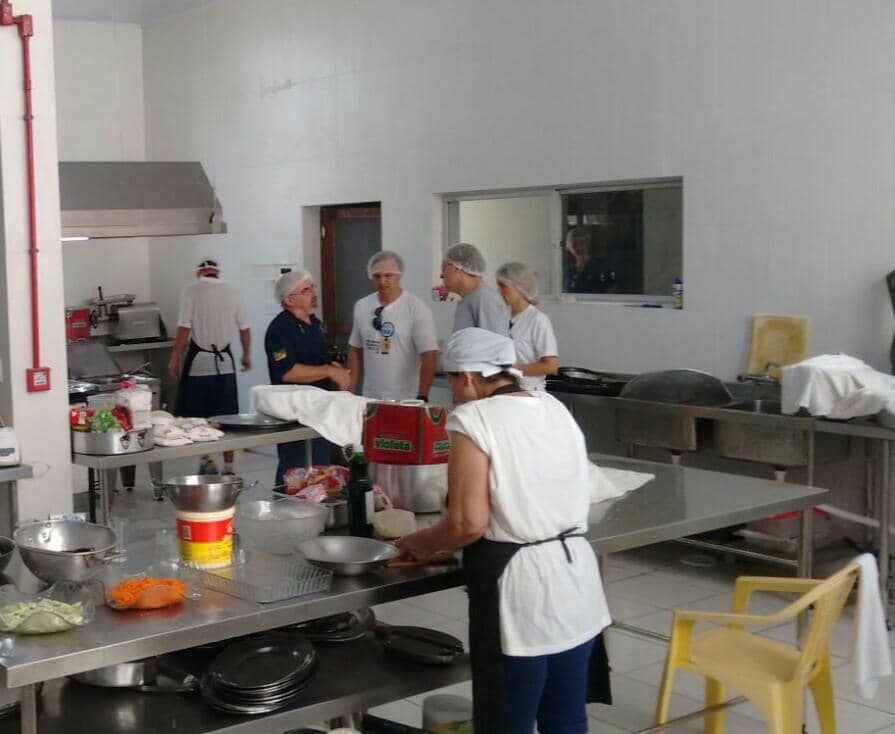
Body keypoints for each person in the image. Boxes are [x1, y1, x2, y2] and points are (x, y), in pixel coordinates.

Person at [396, 328, 611, 734]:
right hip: (578, 583)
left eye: (453, 381)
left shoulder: (474, 418)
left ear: (470, 377)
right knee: (566, 720)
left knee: (506, 723)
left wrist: (421, 543)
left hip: (521, 595)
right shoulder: (554, 407)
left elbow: (467, 523)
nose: (454, 392)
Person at [264, 269, 351, 485]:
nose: (313, 293)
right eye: (306, 289)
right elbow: (288, 371)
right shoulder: (280, 329)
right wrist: (329, 371)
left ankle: (320, 511)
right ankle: (287, 510)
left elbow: (321, 358)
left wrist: (337, 370)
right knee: (296, 469)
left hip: (321, 409)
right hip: (294, 412)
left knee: (322, 467)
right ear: (289, 300)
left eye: (312, 287)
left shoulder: (315, 324)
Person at [168, 258, 250, 474]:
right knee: (227, 418)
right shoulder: (232, 291)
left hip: (199, 365)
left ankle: (205, 460)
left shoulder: (191, 291)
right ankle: (230, 467)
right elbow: (244, 327)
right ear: (217, 273)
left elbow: (184, 328)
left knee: (198, 416)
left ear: (199, 273)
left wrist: (175, 356)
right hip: (226, 364)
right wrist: (247, 354)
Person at [347, 250, 439, 400]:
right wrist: (349, 394)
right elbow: (355, 350)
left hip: (406, 397)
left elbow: (429, 355)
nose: (382, 281)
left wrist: (422, 395)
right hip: (370, 396)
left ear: (400, 275)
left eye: (388, 275)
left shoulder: (416, 308)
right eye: (377, 276)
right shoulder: (362, 306)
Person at [496, 261, 559, 391]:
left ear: (519, 287)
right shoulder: (501, 317)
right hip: (503, 390)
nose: (499, 291)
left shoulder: (538, 320)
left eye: (503, 286)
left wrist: (513, 370)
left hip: (529, 392)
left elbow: (550, 366)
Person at [441, 242, 509, 336]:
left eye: (444, 269)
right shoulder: (469, 298)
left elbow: (494, 346)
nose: (442, 276)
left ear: (457, 268)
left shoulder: (485, 298)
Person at [564, 227, 603, 293]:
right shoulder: (566, 268)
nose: (578, 247)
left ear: (588, 244)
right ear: (568, 247)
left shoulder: (599, 267)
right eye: (574, 244)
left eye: (582, 243)